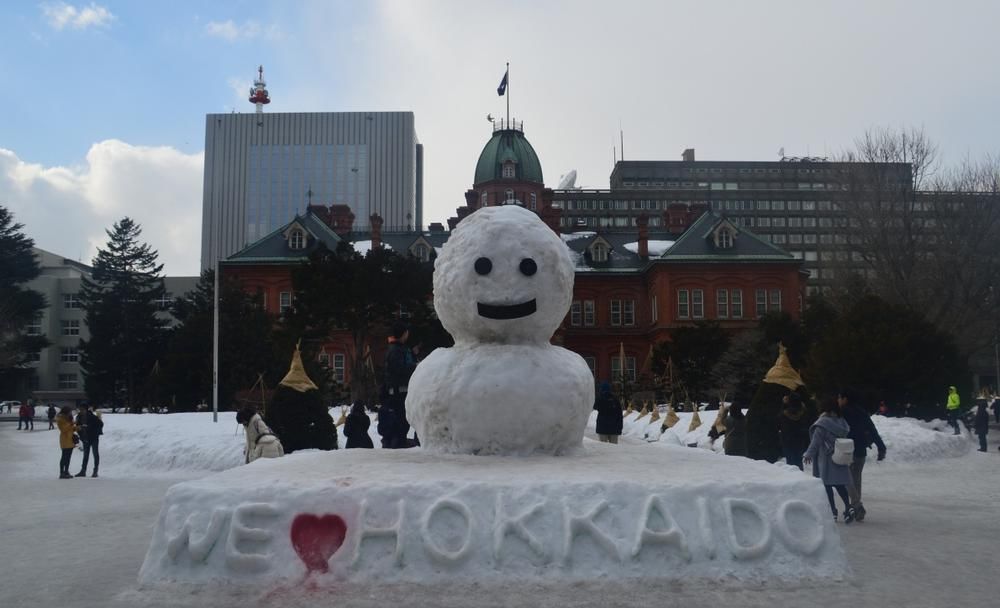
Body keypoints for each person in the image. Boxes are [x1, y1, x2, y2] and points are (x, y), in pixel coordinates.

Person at [803, 398, 856, 523]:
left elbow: (816, 442)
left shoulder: (823, 423)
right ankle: (848, 507)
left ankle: (833, 511)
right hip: (839, 457)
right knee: (839, 484)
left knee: (827, 485)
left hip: (826, 459)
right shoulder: (842, 422)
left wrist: (808, 454)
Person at [838, 389, 886, 522]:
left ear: (845, 399)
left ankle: (857, 506)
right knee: (856, 480)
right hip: (861, 452)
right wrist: (881, 447)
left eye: (839, 398)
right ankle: (856, 507)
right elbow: (873, 430)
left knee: (847, 479)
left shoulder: (842, 412)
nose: (838, 400)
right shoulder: (862, 412)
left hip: (847, 450)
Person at [380, 322, 418, 449]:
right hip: (398, 392)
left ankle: (397, 440)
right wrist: (416, 366)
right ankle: (396, 442)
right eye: (406, 332)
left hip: (399, 391)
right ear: (403, 334)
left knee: (401, 420)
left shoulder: (399, 349)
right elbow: (399, 369)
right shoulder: (396, 350)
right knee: (400, 420)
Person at [778, 393, 810, 471]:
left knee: (790, 463)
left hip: (788, 441)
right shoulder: (804, 412)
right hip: (800, 440)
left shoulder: (785, 414)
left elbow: (779, 423)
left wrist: (784, 404)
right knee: (799, 461)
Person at [76, 404, 103, 477]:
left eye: (82, 409)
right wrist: (79, 430)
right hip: (85, 438)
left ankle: (95, 471)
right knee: (85, 455)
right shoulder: (79, 417)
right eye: (80, 409)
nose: (81, 411)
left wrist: (89, 427)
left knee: (95, 454)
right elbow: (77, 426)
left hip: (93, 437)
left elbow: (101, 424)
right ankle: (83, 471)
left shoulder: (92, 416)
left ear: (86, 409)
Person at [56, 406, 77, 479]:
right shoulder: (60, 419)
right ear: (65, 412)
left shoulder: (69, 419)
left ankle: (66, 471)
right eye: (69, 412)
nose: (70, 413)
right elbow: (63, 429)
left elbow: (70, 429)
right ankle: (62, 472)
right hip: (64, 440)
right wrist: (71, 424)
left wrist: (76, 428)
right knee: (64, 457)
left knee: (68, 457)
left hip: (70, 439)